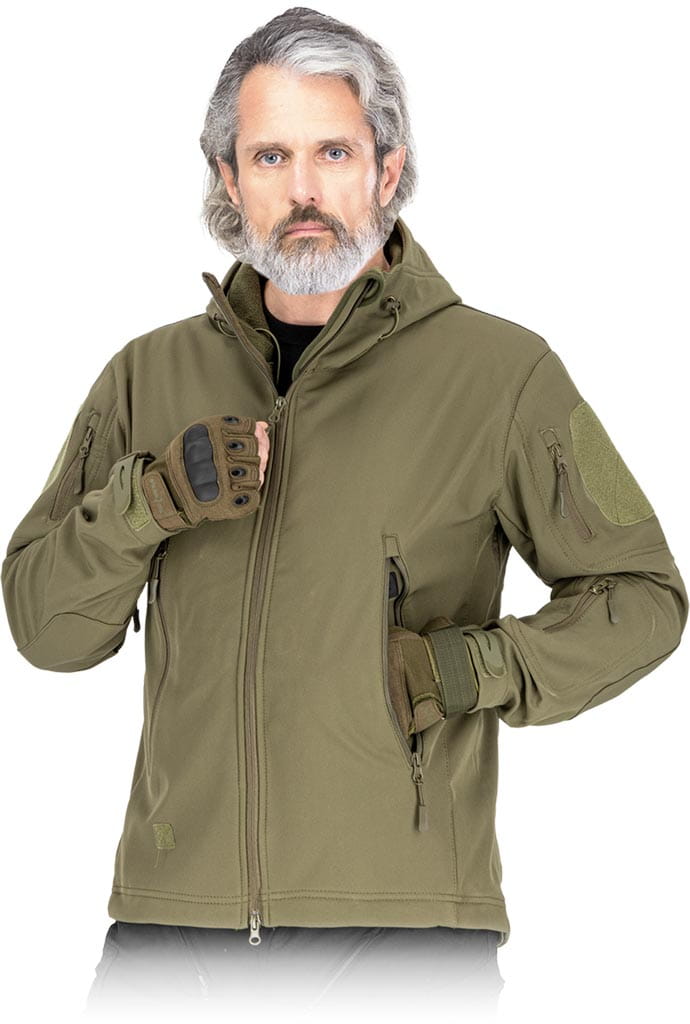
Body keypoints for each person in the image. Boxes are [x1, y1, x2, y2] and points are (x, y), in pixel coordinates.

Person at [2, 5, 687, 1018]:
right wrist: (149, 502)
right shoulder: (147, 376)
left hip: (403, 937)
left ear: (388, 169)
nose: (304, 191)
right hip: (170, 929)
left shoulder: (502, 375)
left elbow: (644, 596)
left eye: (334, 151)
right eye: (270, 156)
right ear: (228, 178)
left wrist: (476, 667)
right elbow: (45, 627)